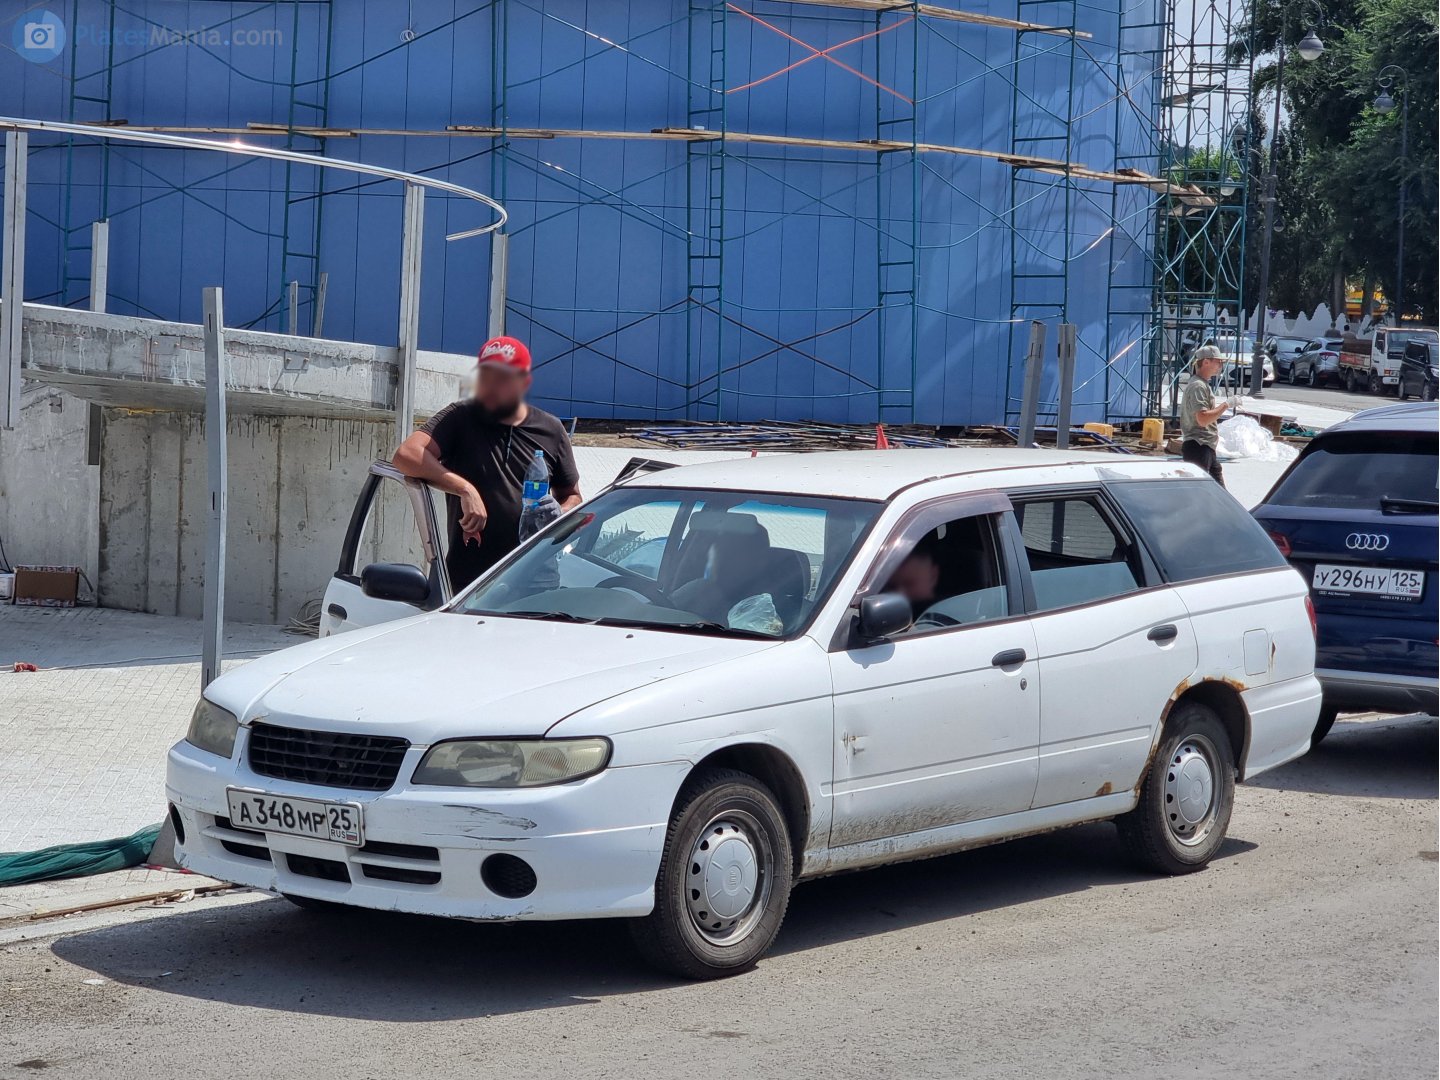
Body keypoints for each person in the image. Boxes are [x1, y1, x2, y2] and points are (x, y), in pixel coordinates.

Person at [393, 335, 582, 589]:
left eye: (502, 378)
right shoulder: (460, 418)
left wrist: (560, 514)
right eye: (485, 376)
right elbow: (407, 455)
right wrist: (465, 489)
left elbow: (573, 495)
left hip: (535, 582)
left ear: (524, 381)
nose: (490, 386)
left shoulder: (551, 429)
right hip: (469, 586)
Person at [1180, 344, 1232, 486]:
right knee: (1198, 493)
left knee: (1217, 494)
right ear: (1206, 362)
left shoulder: (1202, 384)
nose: (1220, 365)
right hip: (1198, 445)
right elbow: (1202, 419)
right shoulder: (1198, 386)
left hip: (1204, 445)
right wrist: (1226, 405)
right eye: (1218, 361)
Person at [886, 540, 942, 619]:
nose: (900, 593)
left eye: (909, 584)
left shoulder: (945, 614)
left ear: (933, 576)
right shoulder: (887, 615)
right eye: (892, 586)